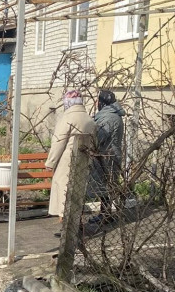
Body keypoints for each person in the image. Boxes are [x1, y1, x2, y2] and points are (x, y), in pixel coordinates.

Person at [45, 90, 98, 222]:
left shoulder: (68, 118)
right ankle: (76, 224)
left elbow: (59, 141)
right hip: (83, 160)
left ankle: (66, 227)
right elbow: (94, 142)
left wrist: (50, 162)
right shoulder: (89, 119)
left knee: (64, 192)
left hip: (66, 161)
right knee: (77, 193)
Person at [89, 89, 126, 222]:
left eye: (98, 100)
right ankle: (106, 214)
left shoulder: (108, 117)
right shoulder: (113, 115)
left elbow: (99, 138)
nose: (96, 103)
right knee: (108, 186)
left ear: (102, 102)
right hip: (111, 154)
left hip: (106, 156)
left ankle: (105, 215)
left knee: (105, 186)